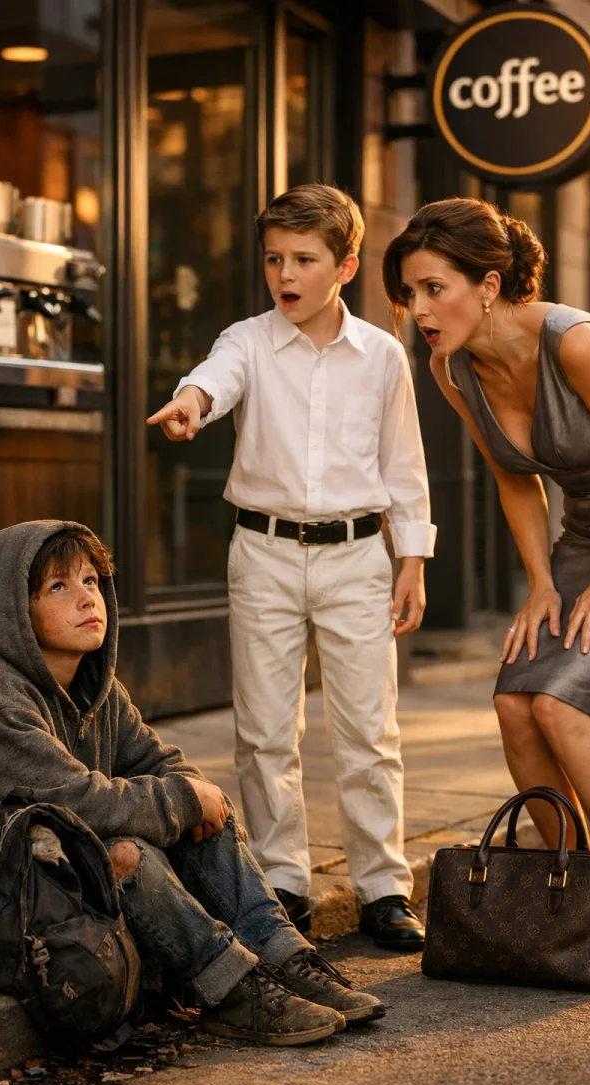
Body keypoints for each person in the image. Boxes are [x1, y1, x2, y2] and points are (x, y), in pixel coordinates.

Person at [0, 520, 385, 1043]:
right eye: (59, 587)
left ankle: (284, 960)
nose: (87, 599)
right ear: (12, 613)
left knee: (204, 815)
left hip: (33, 873)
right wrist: (183, 798)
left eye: (91, 581)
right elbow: (75, 803)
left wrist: (196, 798)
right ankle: (229, 992)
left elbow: (162, 764)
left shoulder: (99, 689)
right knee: (130, 849)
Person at [382, 196, 590, 967]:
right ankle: (582, 890)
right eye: (409, 295)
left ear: (489, 282)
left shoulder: (575, 344)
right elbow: (515, 479)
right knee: (514, 706)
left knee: (561, 707)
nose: (420, 311)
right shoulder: (452, 369)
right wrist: (542, 582)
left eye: (433, 288)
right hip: (587, 536)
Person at [147, 184, 437, 951]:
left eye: (305, 259)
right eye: (275, 258)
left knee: (369, 731)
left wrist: (412, 561)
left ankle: (384, 887)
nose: (287, 273)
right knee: (266, 731)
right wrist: (191, 403)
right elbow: (215, 376)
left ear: (344, 265)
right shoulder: (246, 338)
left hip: (356, 561)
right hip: (265, 555)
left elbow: (404, 467)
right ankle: (283, 884)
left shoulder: (383, 355)